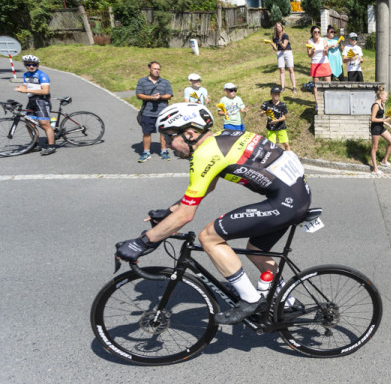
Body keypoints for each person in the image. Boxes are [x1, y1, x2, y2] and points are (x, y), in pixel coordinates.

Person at [114, 102, 310, 324]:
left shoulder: (205, 154)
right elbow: (207, 187)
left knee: (209, 237)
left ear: (189, 133)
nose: (167, 146)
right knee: (256, 251)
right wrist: (169, 212)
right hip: (297, 196)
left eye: (169, 138)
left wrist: (142, 242)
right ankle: (290, 303)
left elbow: (187, 215)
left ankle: (250, 299)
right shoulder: (224, 137)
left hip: (285, 202)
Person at [17, 55, 55, 155]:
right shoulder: (25, 75)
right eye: (28, 64)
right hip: (31, 101)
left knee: (44, 124)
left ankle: (51, 147)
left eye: (34, 64)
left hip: (42, 101)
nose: (31, 66)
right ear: (25, 65)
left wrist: (26, 90)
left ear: (37, 65)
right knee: (29, 123)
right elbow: (26, 88)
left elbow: (45, 91)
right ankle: (36, 145)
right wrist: (21, 88)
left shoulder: (42, 75)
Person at [136, 61, 173, 162]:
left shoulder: (165, 82)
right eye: (154, 69)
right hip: (147, 112)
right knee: (147, 133)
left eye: (158, 69)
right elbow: (139, 95)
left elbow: (169, 95)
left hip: (163, 113)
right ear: (149, 69)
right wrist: (151, 97)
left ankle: (164, 151)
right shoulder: (142, 81)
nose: (157, 71)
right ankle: (146, 152)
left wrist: (160, 97)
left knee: (163, 133)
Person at [370, 87, 391, 176]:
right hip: (375, 128)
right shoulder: (376, 105)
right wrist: (384, 120)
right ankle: (375, 169)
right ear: (381, 96)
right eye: (386, 97)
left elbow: (381, 118)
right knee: (375, 148)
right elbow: (372, 119)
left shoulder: (381, 104)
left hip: (381, 127)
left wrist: (389, 125)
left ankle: (384, 161)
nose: (386, 98)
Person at [306, 25, 331, 107]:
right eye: (315, 32)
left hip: (324, 63)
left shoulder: (323, 40)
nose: (317, 33)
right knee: (316, 85)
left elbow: (326, 53)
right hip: (315, 63)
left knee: (328, 84)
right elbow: (309, 55)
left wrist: (326, 50)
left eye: (318, 32)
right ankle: (317, 103)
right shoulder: (309, 42)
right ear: (312, 33)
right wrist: (313, 51)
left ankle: (328, 102)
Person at [260, 86, 290, 151]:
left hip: (281, 126)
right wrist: (262, 113)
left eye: (278, 93)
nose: (277, 95)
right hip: (271, 127)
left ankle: (289, 156)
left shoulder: (282, 104)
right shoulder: (266, 103)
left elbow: (284, 117)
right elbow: (262, 112)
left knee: (286, 144)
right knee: (271, 146)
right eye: (275, 93)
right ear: (271, 94)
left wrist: (277, 120)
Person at [271, 21, 297, 93]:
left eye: (279, 26)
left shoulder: (285, 35)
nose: (278, 28)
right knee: (281, 70)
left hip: (287, 52)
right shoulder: (274, 37)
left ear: (282, 28)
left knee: (290, 69)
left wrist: (279, 42)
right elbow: (276, 49)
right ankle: (282, 87)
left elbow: (284, 46)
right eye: (277, 26)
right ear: (275, 28)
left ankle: (294, 87)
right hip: (280, 53)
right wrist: (273, 45)